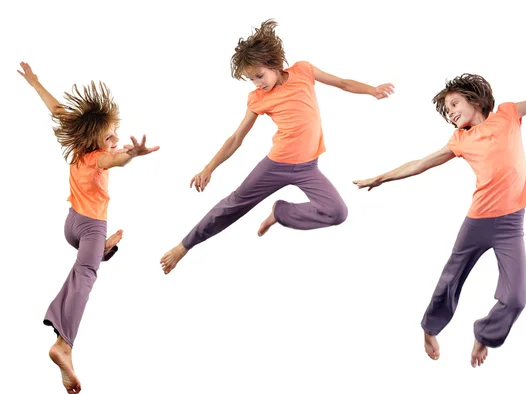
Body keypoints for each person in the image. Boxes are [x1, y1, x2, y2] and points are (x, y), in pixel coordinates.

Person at [353, 11, 526, 368]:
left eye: (454, 105)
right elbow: (422, 162)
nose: (451, 113)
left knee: (516, 298)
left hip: (511, 224)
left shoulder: (508, 114)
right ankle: (430, 327)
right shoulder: (459, 140)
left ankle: (484, 335)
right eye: (446, 111)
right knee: (451, 279)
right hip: (477, 222)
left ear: (475, 100)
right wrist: (381, 177)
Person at [160, 19, 395, 274]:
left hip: (308, 167)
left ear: (274, 63)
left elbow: (343, 83)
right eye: (251, 79)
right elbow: (236, 138)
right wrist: (209, 168)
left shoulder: (303, 70)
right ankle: (184, 246)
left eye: (259, 76)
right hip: (275, 166)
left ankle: (280, 212)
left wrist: (372, 90)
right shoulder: (258, 99)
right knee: (232, 205)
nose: (257, 83)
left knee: (337, 212)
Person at [18, 62, 159, 392]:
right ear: (96, 140)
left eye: (116, 133)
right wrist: (132, 155)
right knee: (86, 276)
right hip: (91, 227)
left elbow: (57, 109)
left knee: (86, 265)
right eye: (110, 136)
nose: (116, 139)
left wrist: (36, 83)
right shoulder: (99, 156)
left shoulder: (82, 144)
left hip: (72, 225)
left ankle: (101, 251)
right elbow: (114, 160)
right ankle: (63, 345)